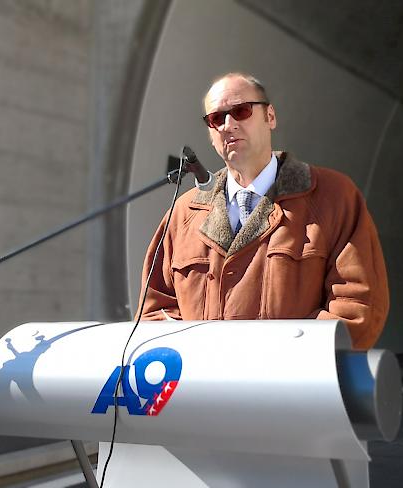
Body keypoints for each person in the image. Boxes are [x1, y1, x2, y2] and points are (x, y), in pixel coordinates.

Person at [136, 72, 389, 350]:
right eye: (216, 119)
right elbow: (154, 312)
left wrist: (274, 363)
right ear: (210, 134)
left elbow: (356, 307)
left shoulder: (333, 196)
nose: (228, 125)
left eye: (241, 111)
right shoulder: (184, 213)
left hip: (290, 389)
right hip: (204, 390)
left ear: (270, 117)